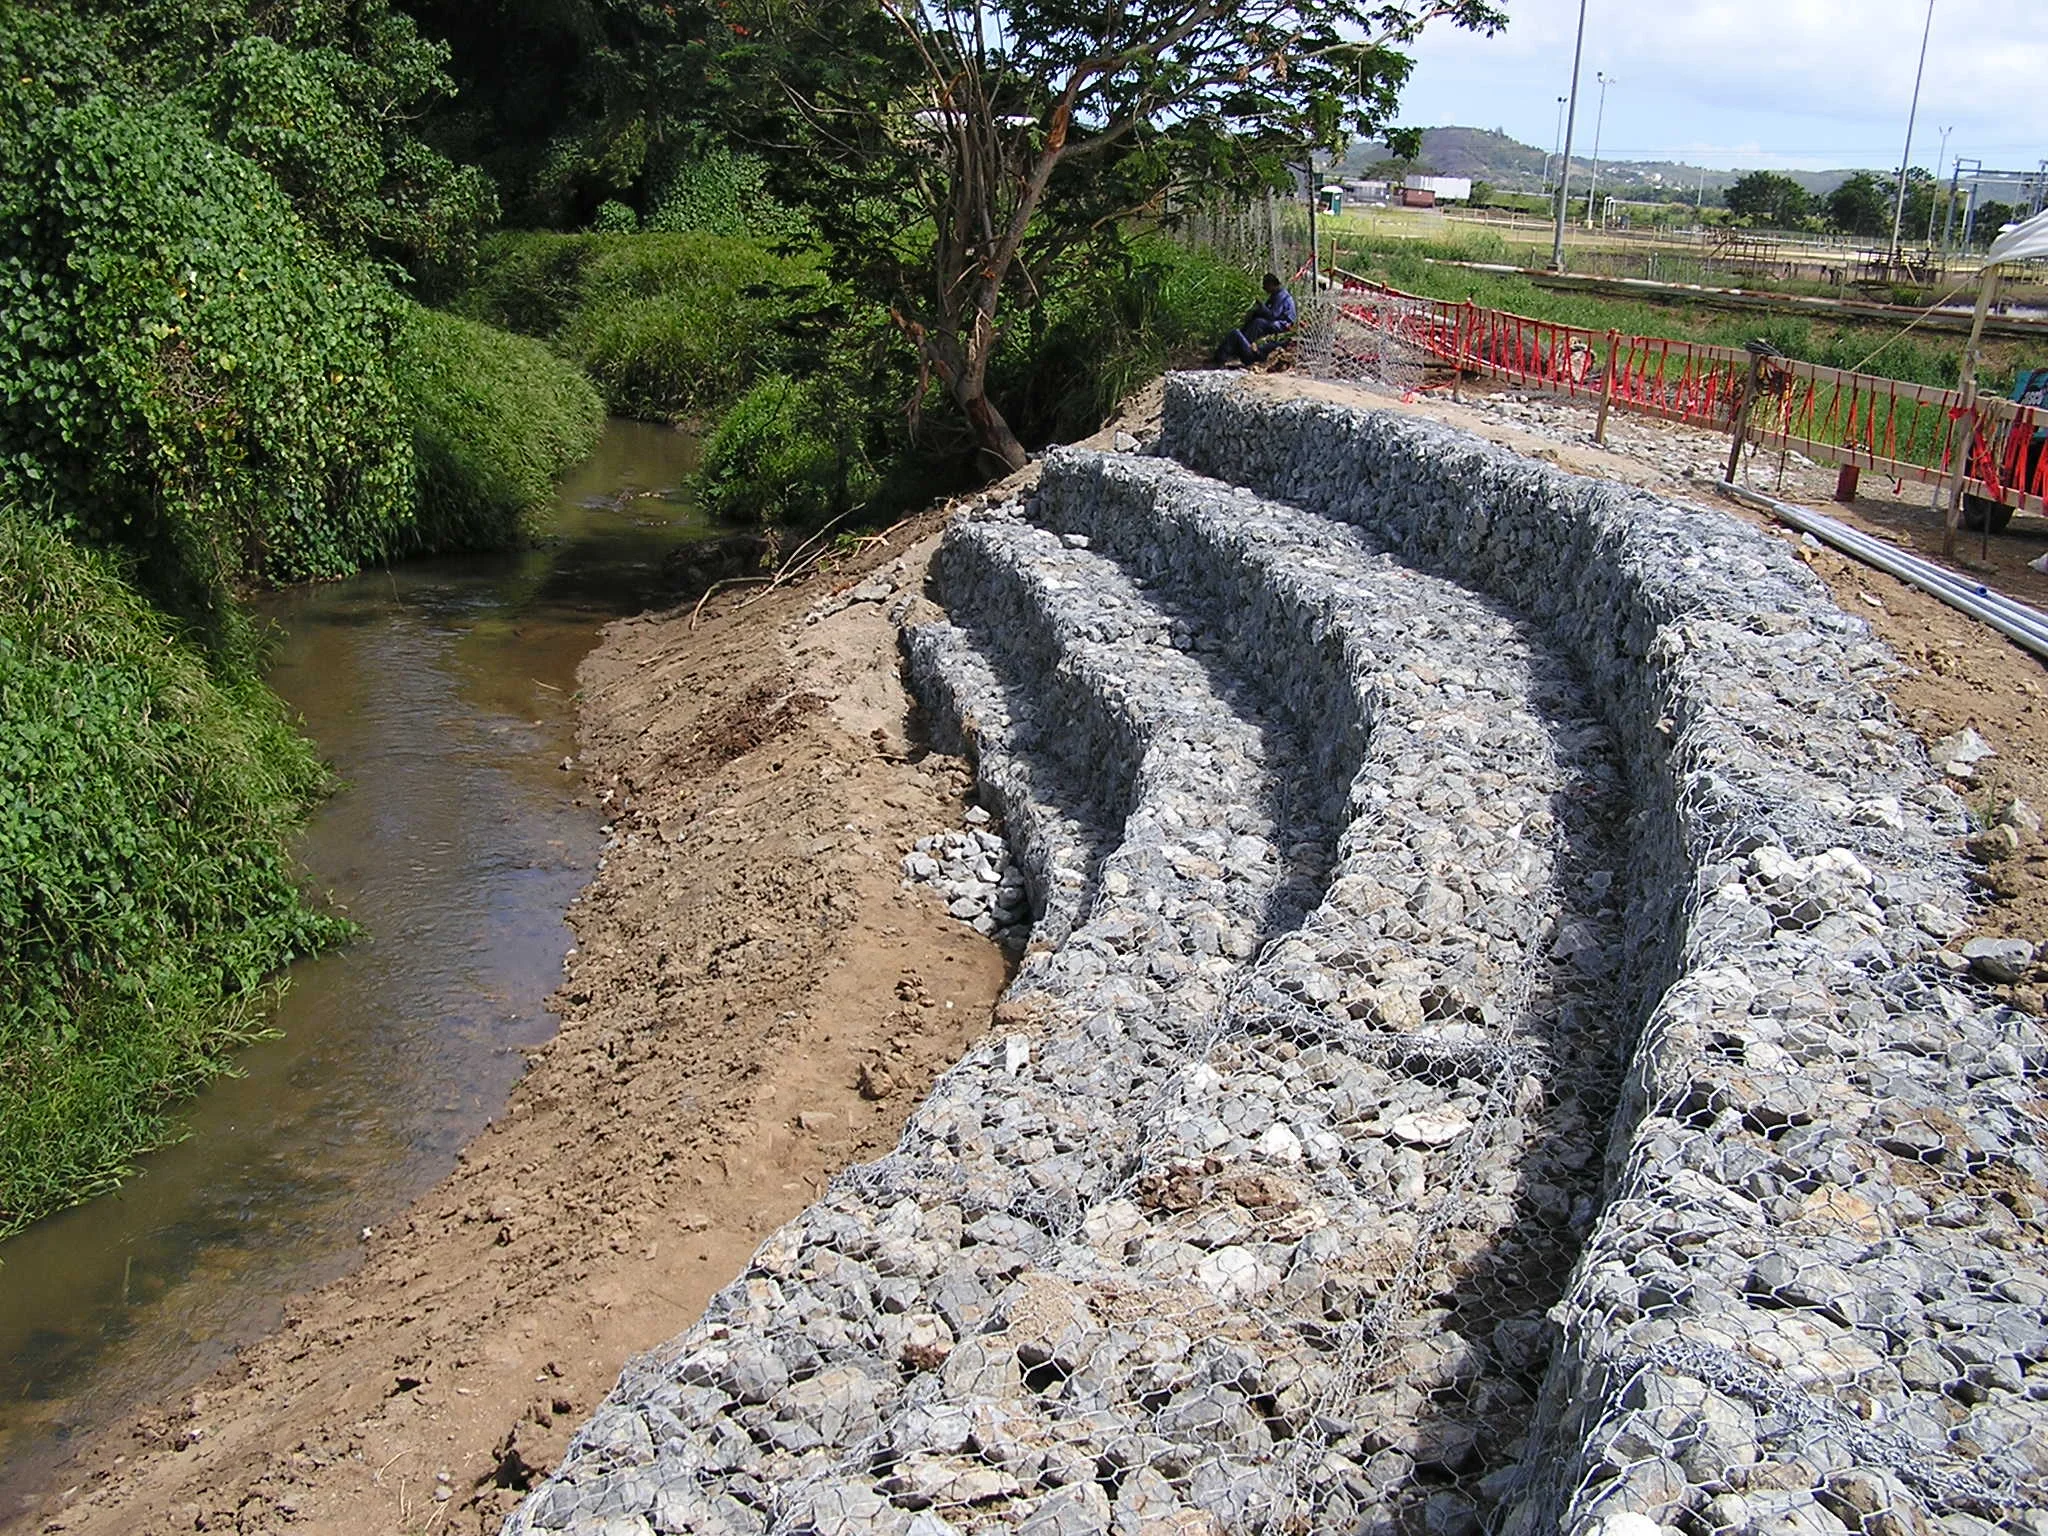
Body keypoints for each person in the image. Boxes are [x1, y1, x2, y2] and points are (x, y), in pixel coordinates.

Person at [1214, 273, 1296, 367]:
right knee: (1254, 320)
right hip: (1271, 328)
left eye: (1265, 285)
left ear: (1272, 284)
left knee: (1257, 323)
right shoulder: (1274, 295)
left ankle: (1238, 348)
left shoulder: (1282, 296)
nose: (1264, 288)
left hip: (1281, 324)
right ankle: (1239, 344)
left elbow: (1273, 315)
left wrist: (1261, 306)